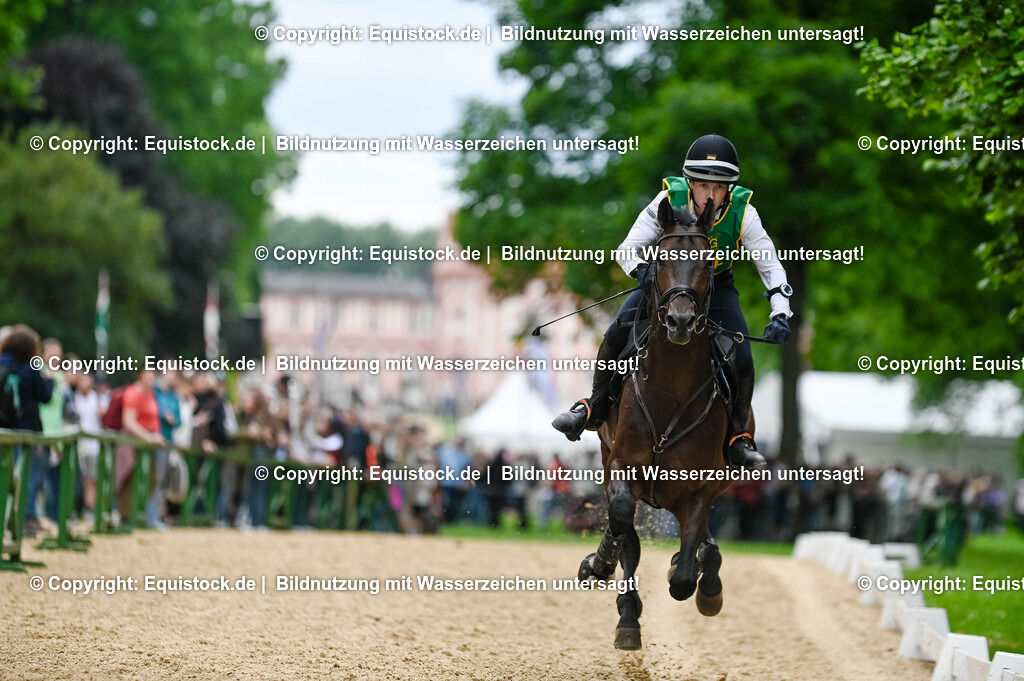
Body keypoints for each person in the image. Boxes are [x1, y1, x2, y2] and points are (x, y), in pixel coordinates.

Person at [552, 134, 793, 469]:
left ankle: (738, 437)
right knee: (616, 332)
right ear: (690, 183)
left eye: (719, 187)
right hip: (663, 284)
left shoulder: (744, 213)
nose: (710, 195)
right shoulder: (667, 200)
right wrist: (642, 271)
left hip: (715, 288)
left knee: (742, 357)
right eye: (703, 185)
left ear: (730, 189)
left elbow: (770, 265)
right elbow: (627, 249)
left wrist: (781, 313)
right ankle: (593, 406)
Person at [0, 325, 54, 537]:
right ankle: (24, 521)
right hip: (26, 431)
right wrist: (49, 379)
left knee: (5, 478)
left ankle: (6, 521)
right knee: (26, 478)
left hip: (4, 429)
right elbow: (45, 397)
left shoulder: (2, 363)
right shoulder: (31, 369)